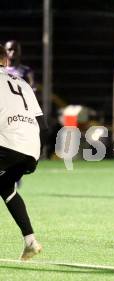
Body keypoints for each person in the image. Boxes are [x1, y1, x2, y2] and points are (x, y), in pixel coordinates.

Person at [0, 44, 47, 260]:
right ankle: (30, 241)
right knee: (5, 186)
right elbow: (44, 126)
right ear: (5, 60)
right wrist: (35, 153)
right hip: (31, 150)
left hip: (7, 146)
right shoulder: (24, 84)